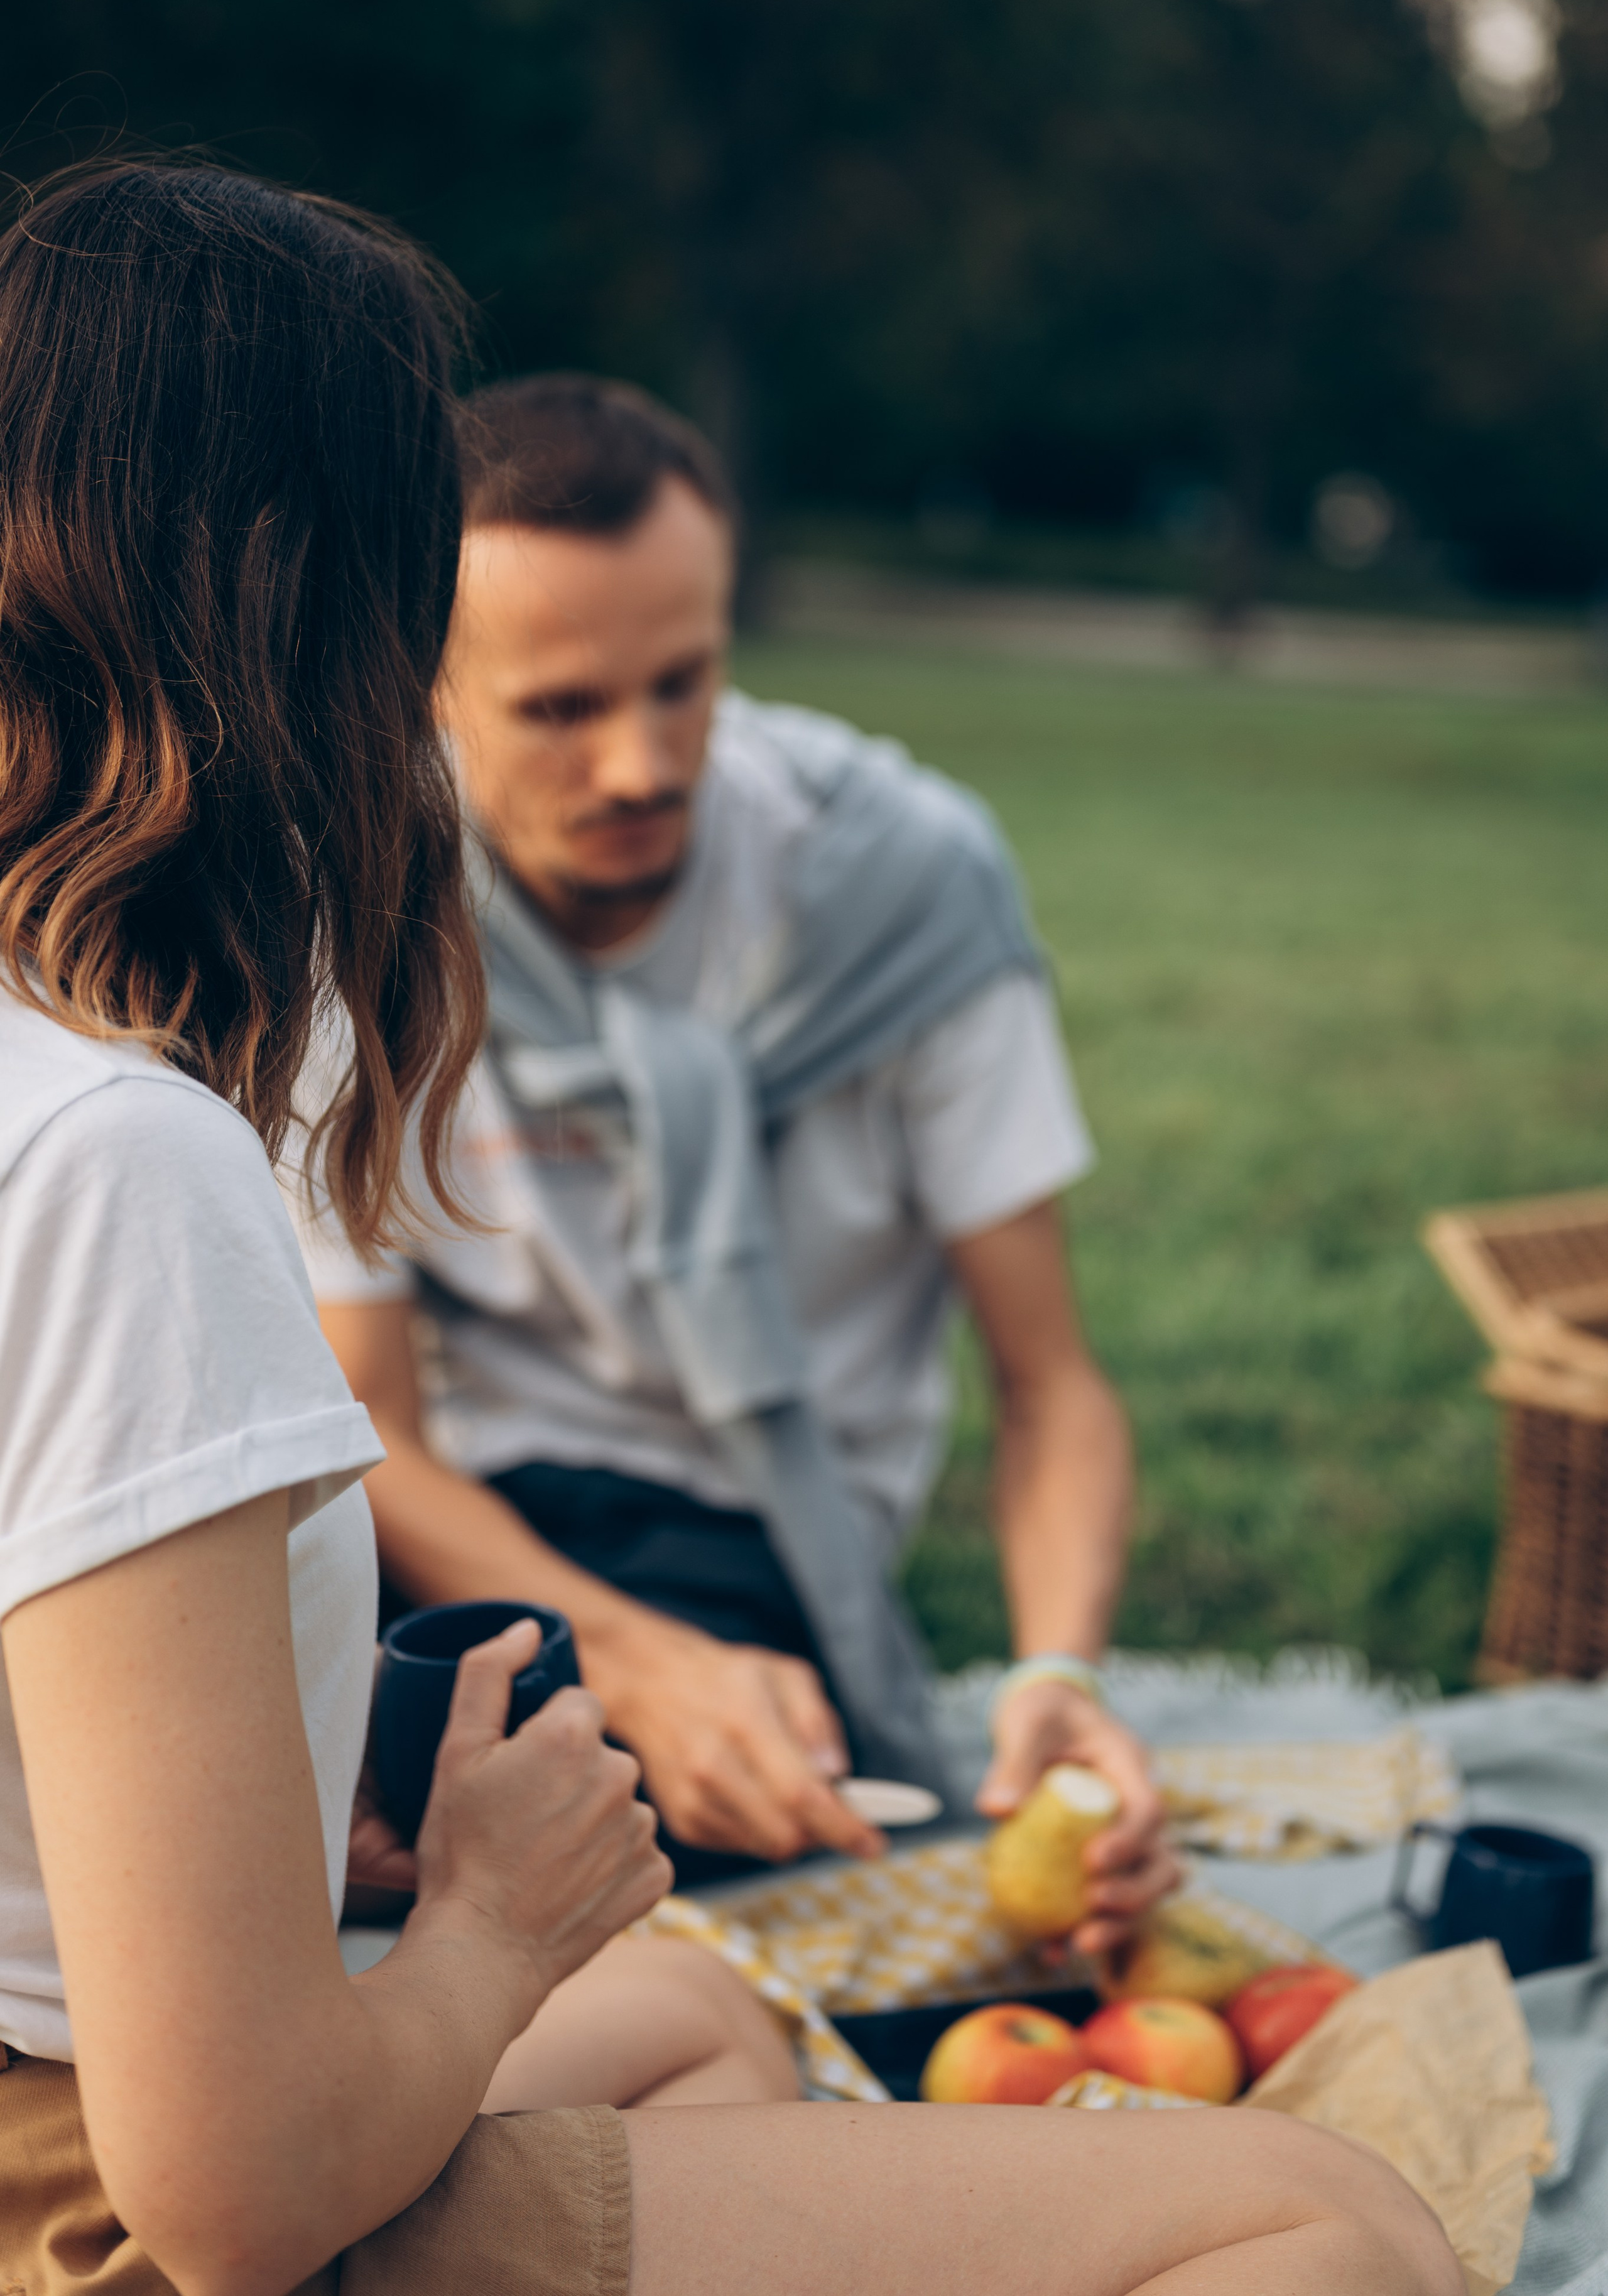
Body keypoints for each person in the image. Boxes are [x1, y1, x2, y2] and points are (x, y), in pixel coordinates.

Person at [0, 157, 1463, 2296]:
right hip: (96, 2210)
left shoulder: (895, 882)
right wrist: (493, 1911)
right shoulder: (124, 1158)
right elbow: (229, 2200)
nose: (632, 759)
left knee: (705, 2009)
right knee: (1325, 2216)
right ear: (338, 624)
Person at [292, 373, 1174, 1922]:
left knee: (631, 1842)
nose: (639, 766)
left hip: (764, 1528)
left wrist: (1053, 1670)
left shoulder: (899, 891)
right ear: (423, 682)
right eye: (559, 708)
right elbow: (372, 1429)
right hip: (460, 1518)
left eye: (681, 682)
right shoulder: (354, 910)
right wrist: (626, 1661)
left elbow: (1048, 1380)